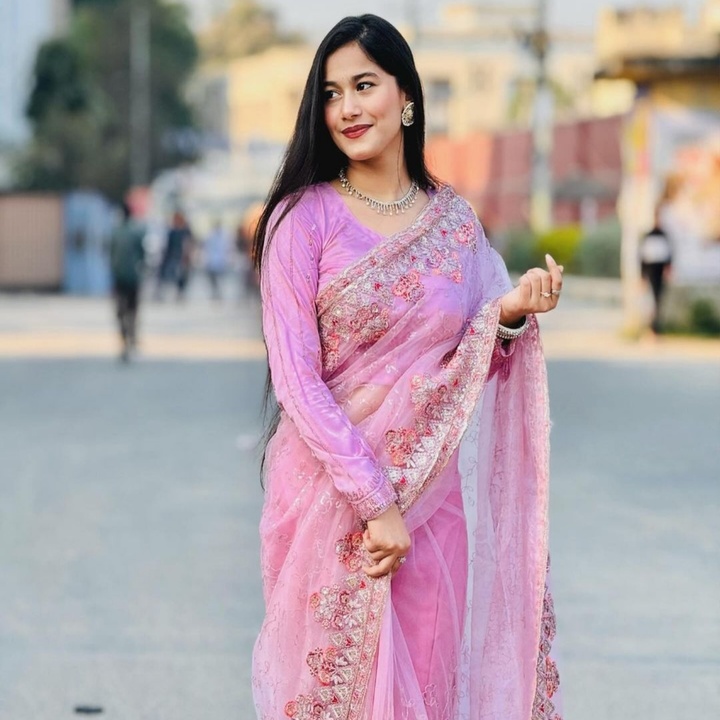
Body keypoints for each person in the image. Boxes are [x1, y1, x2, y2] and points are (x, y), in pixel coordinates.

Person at [252, 15, 564, 720]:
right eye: (332, 93)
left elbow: (471, 361)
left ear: (407, 98)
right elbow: (297, 381)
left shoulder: (454, 226)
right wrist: (375, 502)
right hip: (329, 498)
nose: (348, 108)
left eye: (365, 85)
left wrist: (512, 312)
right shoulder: (302, 221)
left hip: (431, 504)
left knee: (427, 686)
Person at [109, 201, 145, 362]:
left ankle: (124, 339)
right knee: (133, 310)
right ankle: (132, 338)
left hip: (119, 277)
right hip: (133, 277)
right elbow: (142, 255)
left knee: (120, 311)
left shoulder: (115, 233)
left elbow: (110, 255)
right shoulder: (136, 232)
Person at [640, 209, 673, 335]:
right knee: (650, 300)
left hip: (660, 271)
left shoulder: (664, 235)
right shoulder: (648, 235)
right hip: (650, 271)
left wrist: (668, 269)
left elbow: (669, 255)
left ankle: (655, 328)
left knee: (659, 299)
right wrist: (642, 276)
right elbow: (643, 257)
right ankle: (650, 328)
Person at [155, 210, 194, 301]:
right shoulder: (172, 231)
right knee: (166, 275)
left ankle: (180, 293)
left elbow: (190, 244)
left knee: (182, 277)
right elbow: (168, 245)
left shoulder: (186, 231)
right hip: (172, 256)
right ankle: (162, 294)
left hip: (182, 257)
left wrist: (188, 255)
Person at [204, 219, 230, 301]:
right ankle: (216, 292)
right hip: (213, 260)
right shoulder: (211, 235)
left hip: (220, 260)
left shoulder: (224, 235)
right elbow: (207, 247)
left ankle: (218, 292)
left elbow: (227, 248)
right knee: (213, 278)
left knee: (219, 278)